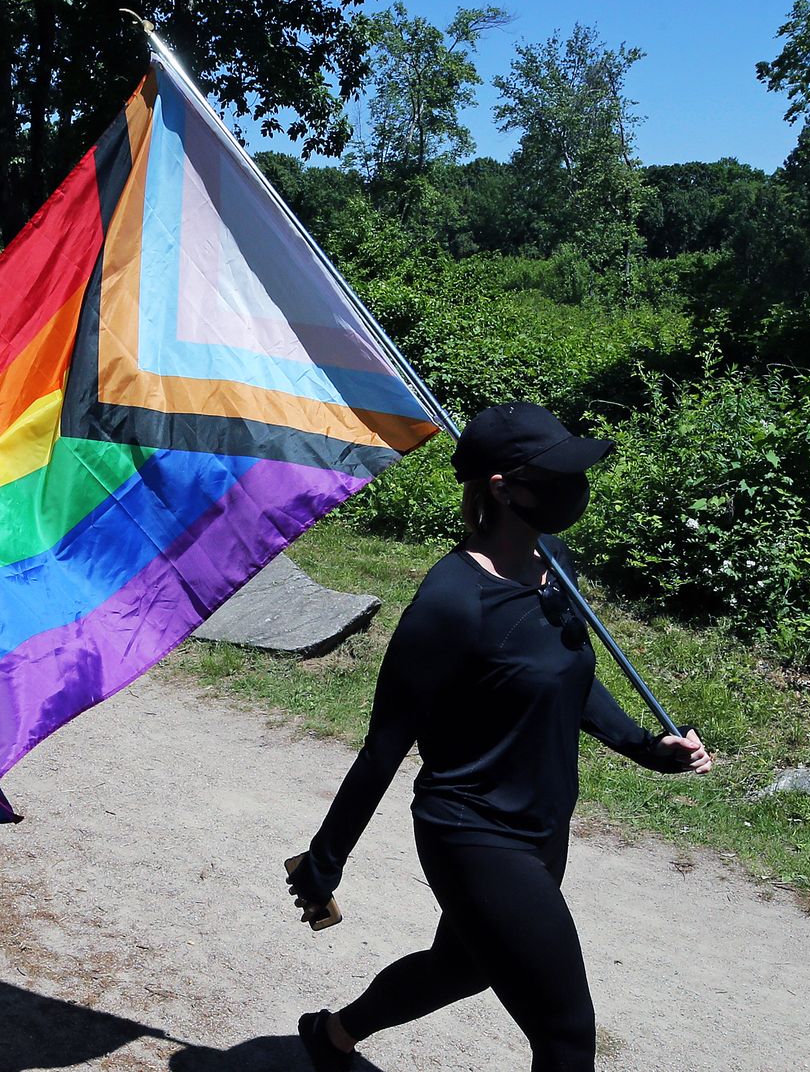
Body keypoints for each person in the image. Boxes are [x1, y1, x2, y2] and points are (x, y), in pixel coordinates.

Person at [285, 402, 713, 1072]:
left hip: (542, 823)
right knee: (567, 1037)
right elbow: (383, 748)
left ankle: (333, 1036)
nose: (575, 487)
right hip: (473, 832)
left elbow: (564, 676)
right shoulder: (451, 603)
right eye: (558, 474)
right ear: (503, 487)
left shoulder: (554, 562)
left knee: (460, 967)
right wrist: (325, 859)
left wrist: (645, 748)